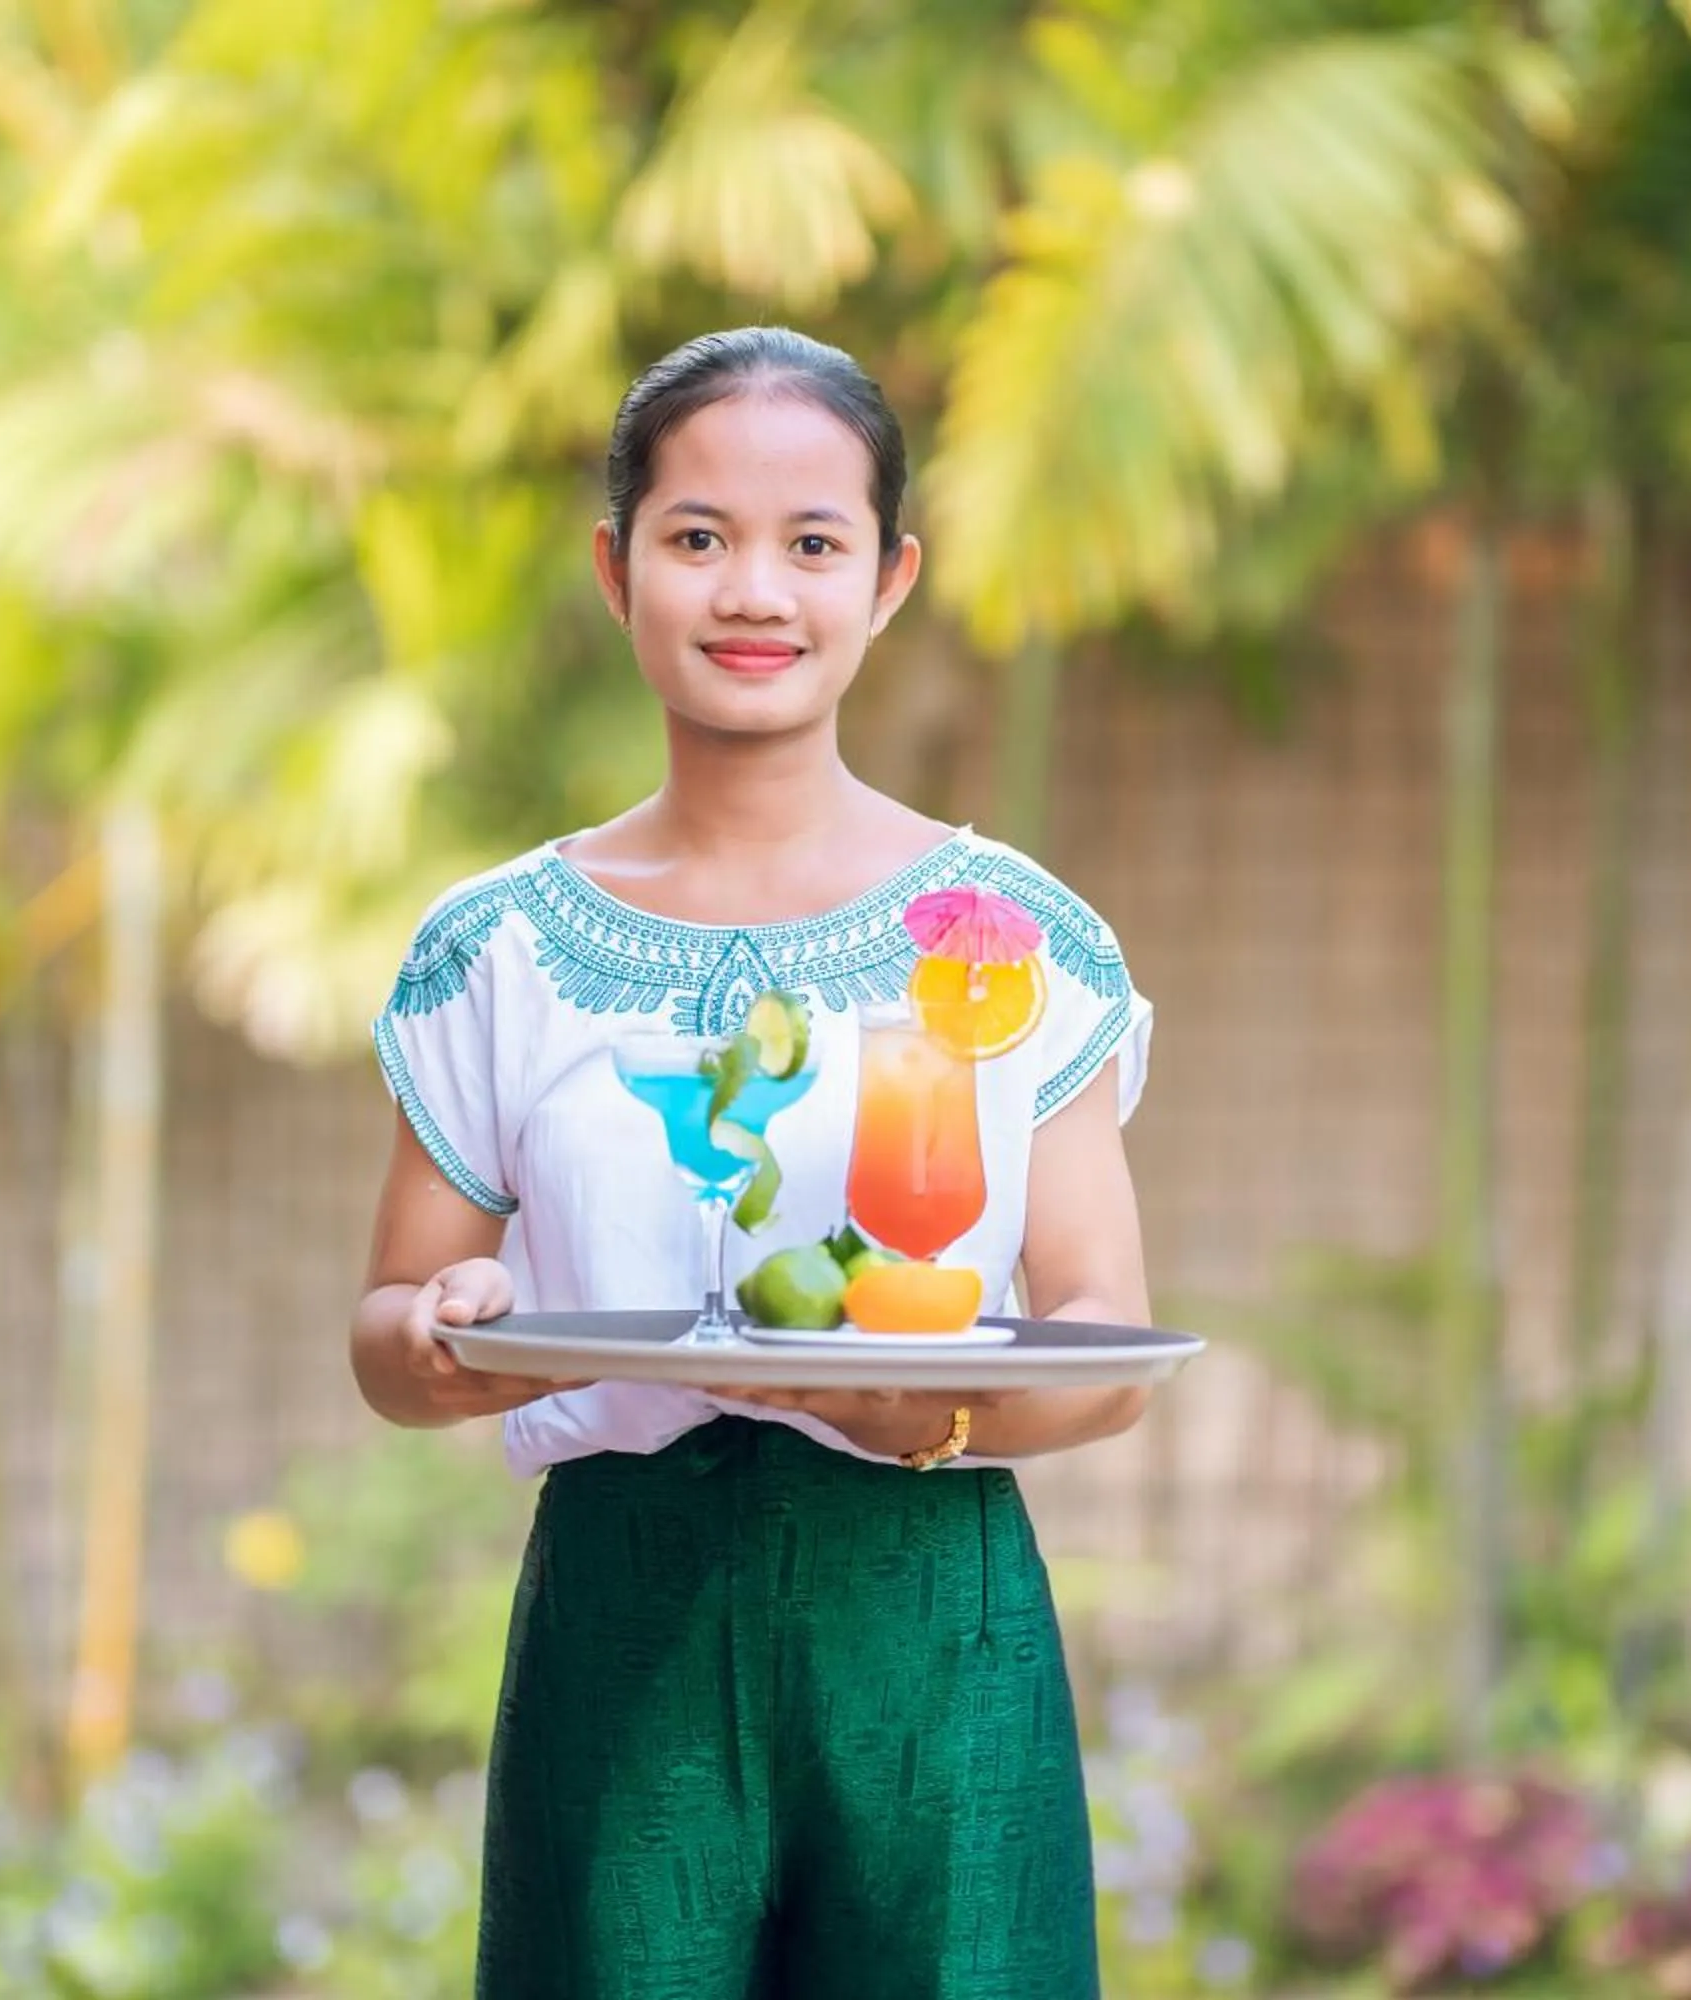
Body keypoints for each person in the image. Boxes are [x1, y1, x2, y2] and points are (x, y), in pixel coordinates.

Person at [352, 325, 1156, 1999]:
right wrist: (453, 1336)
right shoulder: (501, 948)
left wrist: (926, 1417)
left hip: (930, 1612)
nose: (754, 592)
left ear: (889, 580)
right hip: (621, 1619)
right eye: (700, 536)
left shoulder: (1005, 935)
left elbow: (1103, 1338)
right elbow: (387, 1330)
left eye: (813, 543)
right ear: (616, 567)